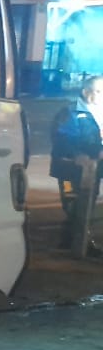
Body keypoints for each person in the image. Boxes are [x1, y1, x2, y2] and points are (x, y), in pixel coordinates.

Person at [49, 75, 103, 251]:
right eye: (98, 91)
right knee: (72, 203)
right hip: (69, 169)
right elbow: (61, 138)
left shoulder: (100, 112)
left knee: (87, 204)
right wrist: (78, 155)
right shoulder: (70, 112)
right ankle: (78, 243)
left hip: (93, 170)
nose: (102, 95)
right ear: (86, 92)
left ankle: (73, 241)